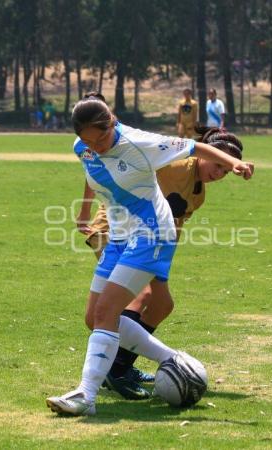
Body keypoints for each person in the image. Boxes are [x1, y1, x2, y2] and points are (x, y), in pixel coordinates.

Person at [46, 92, 253, 416]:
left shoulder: (140, 143)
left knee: (109, 311)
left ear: (112, 121)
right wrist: (86, 210)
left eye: (102, 137)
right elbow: (92, 168)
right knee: (95, 317)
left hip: (151, 234)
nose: (98, 145)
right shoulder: (83, 148)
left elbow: (195, 147)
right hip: (118, 236)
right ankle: (171, 359)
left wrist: (234, 164)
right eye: (90, 141)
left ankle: (86, 396)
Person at [79, 126, 245, 400]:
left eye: (225, 172)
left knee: (162, 303)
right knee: (137, 296)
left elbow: (172, 229)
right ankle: (114, 369)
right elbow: (107, 167)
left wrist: (160, 271)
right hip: (114, 228)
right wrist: (86, 208)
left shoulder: (198, 193)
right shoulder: (175, 163)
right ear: (205, 152)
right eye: (218, 165)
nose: (219, 173)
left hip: (148, 240)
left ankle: (120, 366)